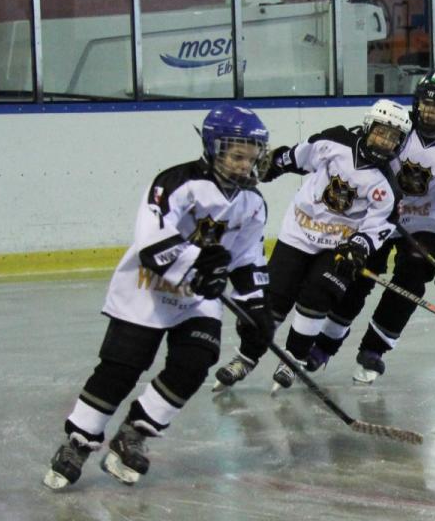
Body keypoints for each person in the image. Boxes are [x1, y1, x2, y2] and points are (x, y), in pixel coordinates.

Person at [44, 105, 271, 489]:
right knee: (121, 369)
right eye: (236, 155)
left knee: (195, 363)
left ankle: (133, 435)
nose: (244, 165)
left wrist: (257, 308)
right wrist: (199, 264)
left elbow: (248, 259)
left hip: (196, 298)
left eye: (251, 157)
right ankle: (78, 443)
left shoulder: (252, 203)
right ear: (213, 148)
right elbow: (151, 242)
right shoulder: (177, 182)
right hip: (147, 289)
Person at [211, 98, 410, 391]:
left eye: (393, 138)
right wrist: (274, 165)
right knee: (275, 298)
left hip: (338, 247)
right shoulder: (335, 141)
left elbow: (380, 224)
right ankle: (246, 357)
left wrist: (359, 246)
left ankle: (293, 358)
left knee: (317, 297)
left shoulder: (387, 186)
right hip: (299, 232)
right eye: (381, 132)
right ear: (368, 127)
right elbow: (296, 156)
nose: (384, 141)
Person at [326, 70, 435, 383]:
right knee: (358, 273)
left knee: (413, 276)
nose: (430, 112)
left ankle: (374, 350)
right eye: (426, 105)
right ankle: (323, 344)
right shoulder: (395, 127)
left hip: (425, 221)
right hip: (379, 213)